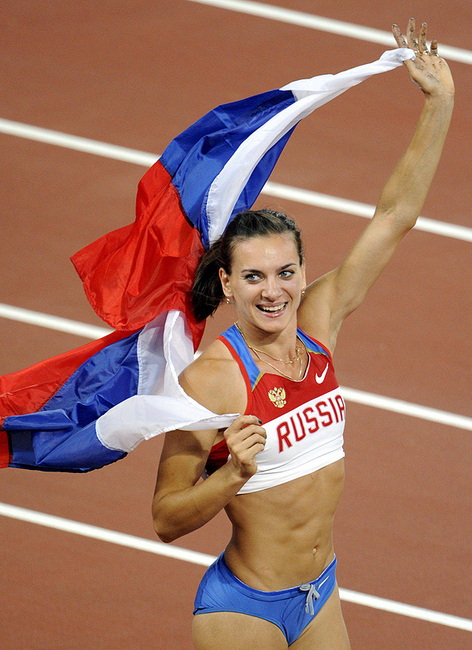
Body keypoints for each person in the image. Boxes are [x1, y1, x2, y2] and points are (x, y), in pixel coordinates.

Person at [152, 19, 454, 650]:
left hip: (320, 594)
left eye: (285, 272)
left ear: (302, 272)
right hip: (244, 610)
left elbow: (394, 217)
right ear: (228, 284)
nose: (274, 291)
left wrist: (440, 104)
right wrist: (230, 475)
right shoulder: (212, 380)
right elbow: (166, 518)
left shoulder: (319, 323)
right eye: (254, 276)